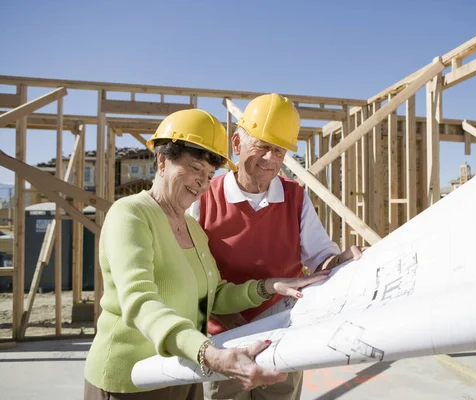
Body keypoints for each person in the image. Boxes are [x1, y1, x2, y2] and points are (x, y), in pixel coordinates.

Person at [83, 109, 329, 400]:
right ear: (162, 160)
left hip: (184, 372)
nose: (203, 181)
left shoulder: (191, 228)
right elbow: (139, 301)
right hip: (134, 380)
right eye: (195, 168)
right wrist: (209, 354)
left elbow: (214, 295)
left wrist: (267, 286)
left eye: (210, 174)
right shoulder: (131, 214)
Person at [187, 94, 364, 400]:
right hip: (224, 342)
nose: (270, 159)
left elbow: (321, 257)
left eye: (279, 151)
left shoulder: (295, 196)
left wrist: (340, 261)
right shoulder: (204, 197)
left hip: (283, 338)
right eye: (262, 147)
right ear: (237, 144)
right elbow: (188, 270)